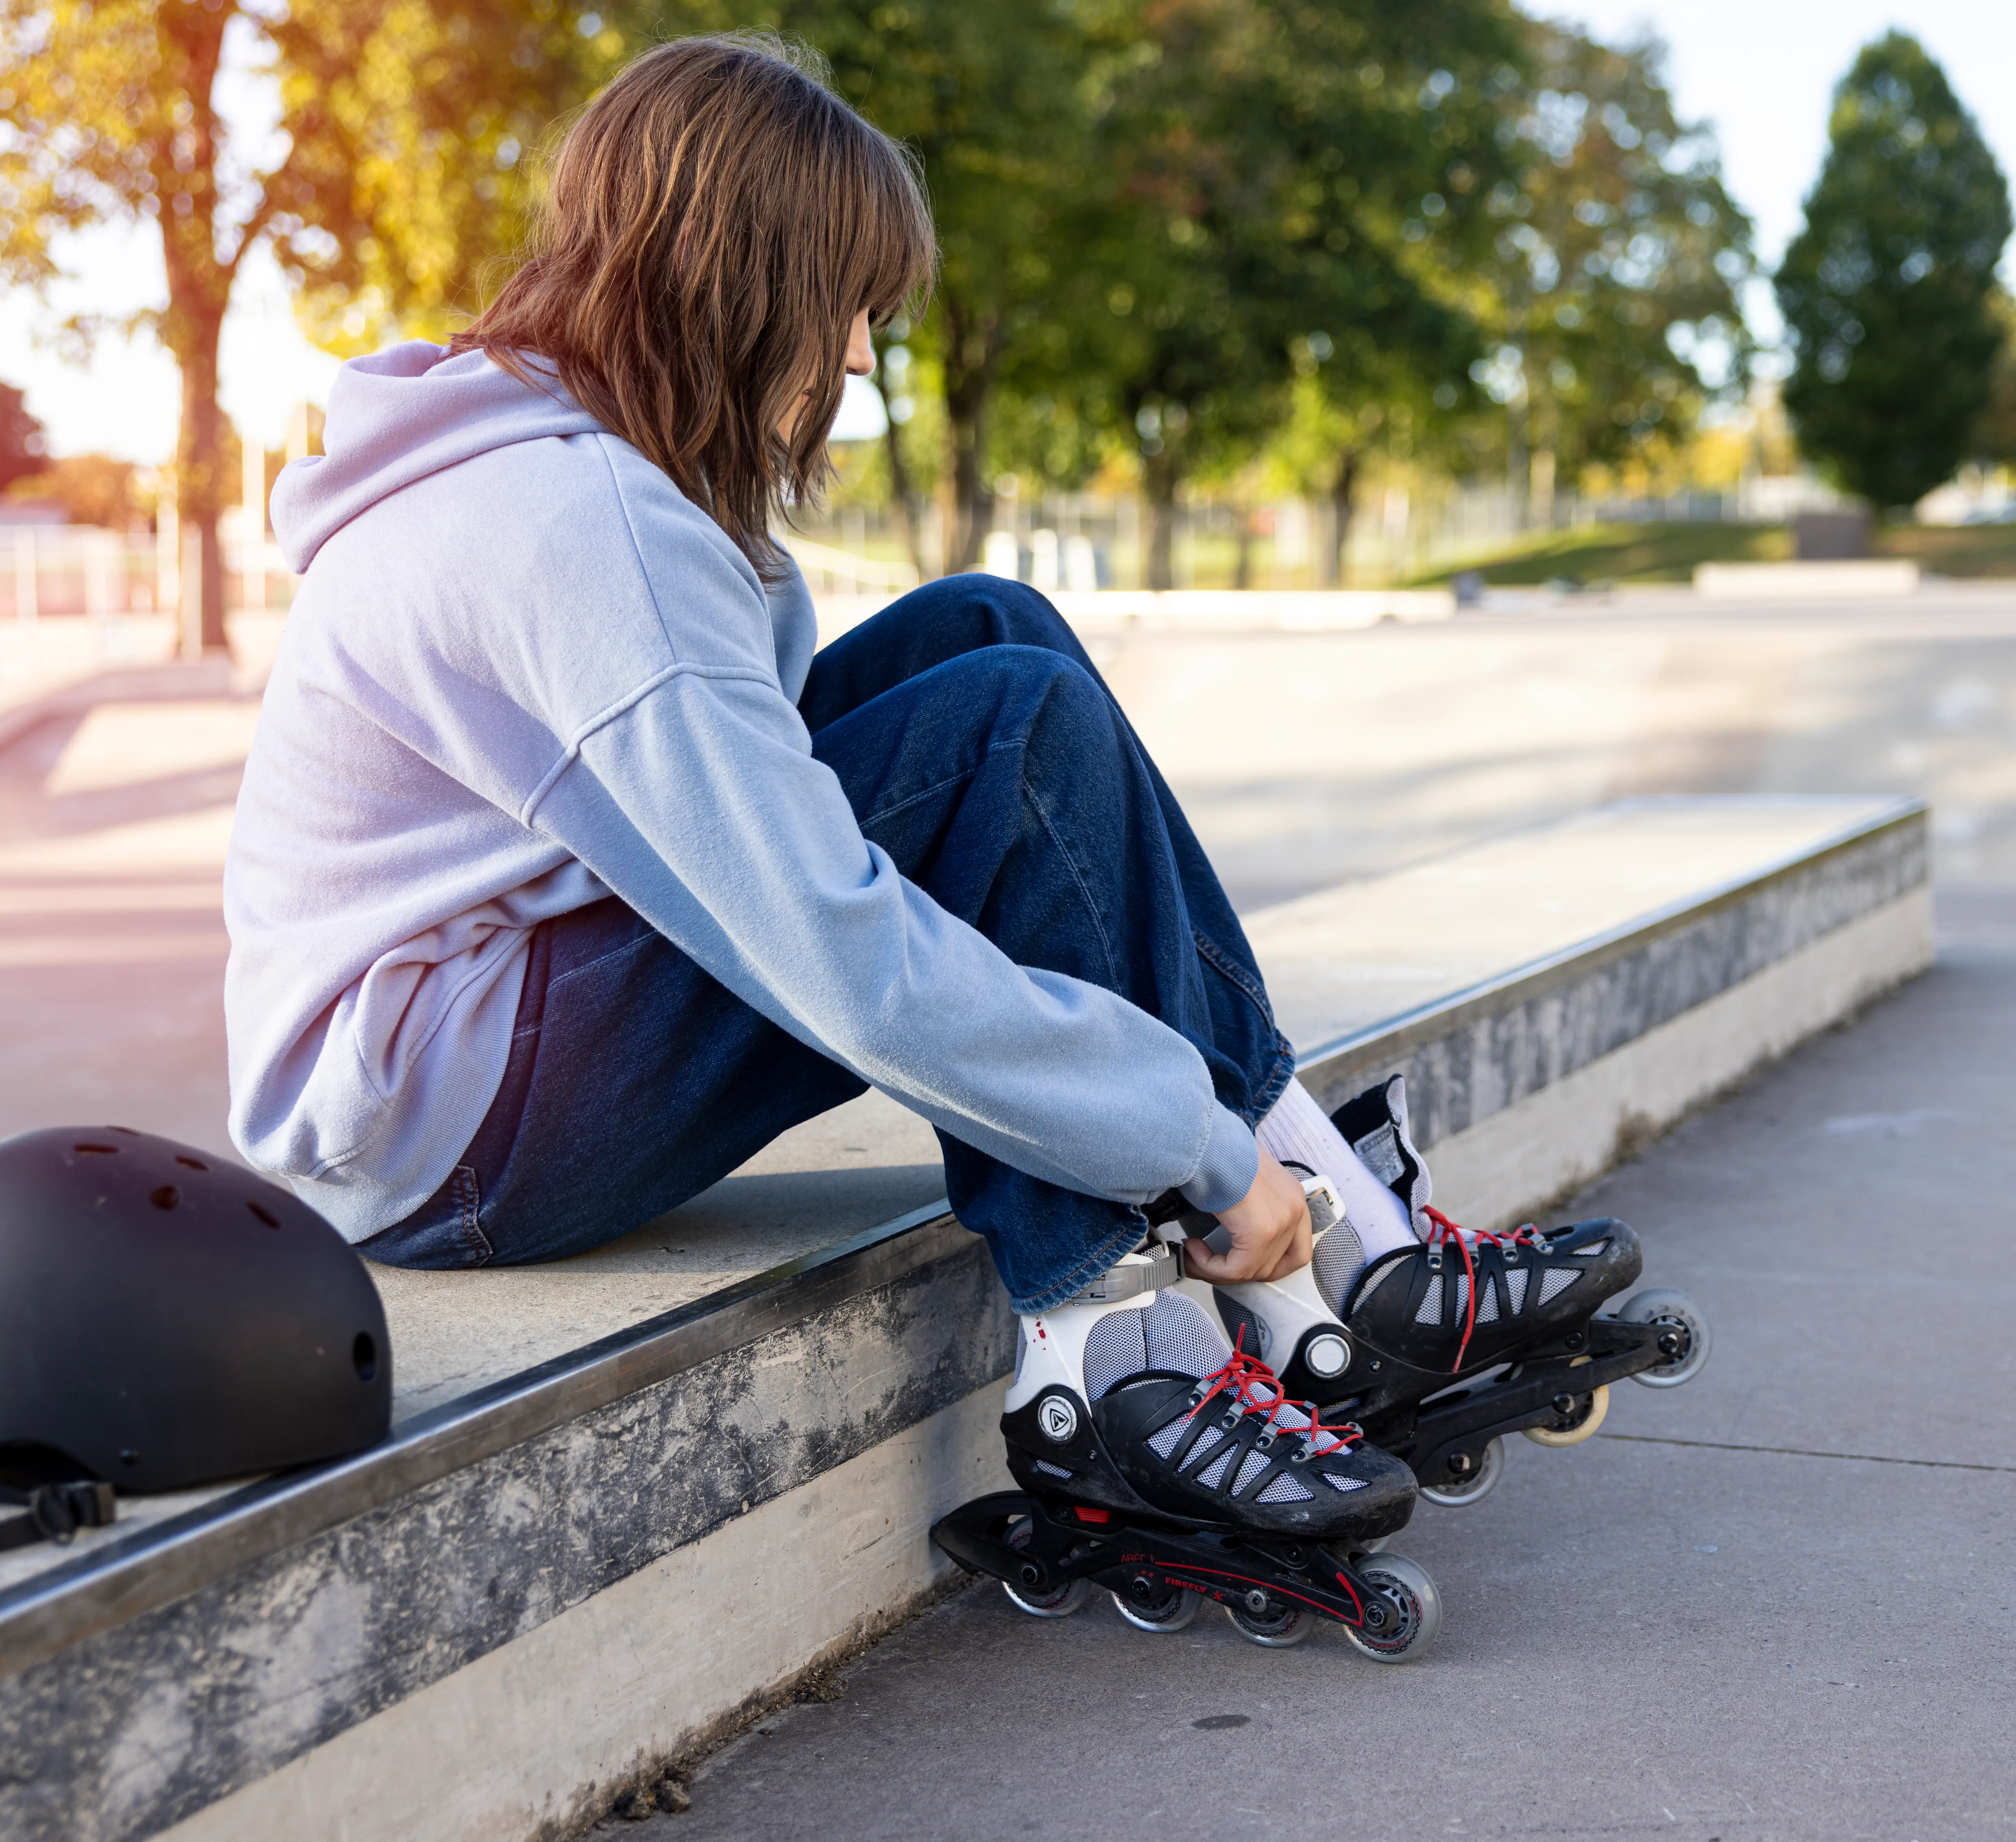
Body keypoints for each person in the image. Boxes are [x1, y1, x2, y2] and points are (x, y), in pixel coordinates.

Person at [226, 33, 1501, 1544]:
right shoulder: (586, 528)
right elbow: (842, 957)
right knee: (1000, 734)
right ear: (743, 280)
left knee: (989, 631)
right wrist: (1190, 1146)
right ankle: (1110, 1354)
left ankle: (1339, 1233)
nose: (854, 365)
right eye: (850, 309)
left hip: (472, 1049)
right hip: (455, 1134)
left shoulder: (556, 458)